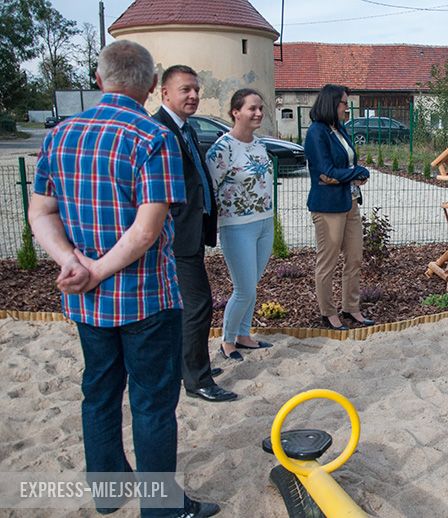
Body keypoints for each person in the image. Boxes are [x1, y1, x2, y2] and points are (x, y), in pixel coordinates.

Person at [28, 40, 219, 517]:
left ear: (99, 79)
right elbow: (148, 228)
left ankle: (109, 492)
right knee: (153, 403)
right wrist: (93, 269)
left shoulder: (60, 135)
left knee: (99, 391)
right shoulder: (152, 137)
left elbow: (40, 211)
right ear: (153, 85)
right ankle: (161, 509)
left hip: (87, 302)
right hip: (145, 300)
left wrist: (71, 263)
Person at [153, 65, 237, 402]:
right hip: (174, 236)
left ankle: (192, 366)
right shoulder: (160, 130)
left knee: (189, 305)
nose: (193, 96)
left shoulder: (185, 129)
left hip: (191, 231)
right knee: (198, 304)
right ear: (165, 94)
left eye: (196, 90)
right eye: (185, 89)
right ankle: (198, 380)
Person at [205, 89, 275, 362]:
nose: (258, 113)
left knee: (253, 284)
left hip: (264, 223)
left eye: (260, 108)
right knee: (243, 288)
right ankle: (227, 340)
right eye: (252, 108)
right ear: (236, 112)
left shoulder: (259, 145)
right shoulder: (221, 149)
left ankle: (244, 334)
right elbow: (209, 189)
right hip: (236, 226)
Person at [304, 84, 374, 331]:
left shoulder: (339, 130)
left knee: (354, 257)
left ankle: (351, 307)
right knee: (328, 262)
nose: (347, 108)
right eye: (344, 103)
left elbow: (342, 167)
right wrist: (355, 173)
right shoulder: (316, 132)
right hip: (328, 207)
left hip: (350, 201)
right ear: (331, 104)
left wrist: (352, 175)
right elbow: (325, 173)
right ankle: (328, 312)